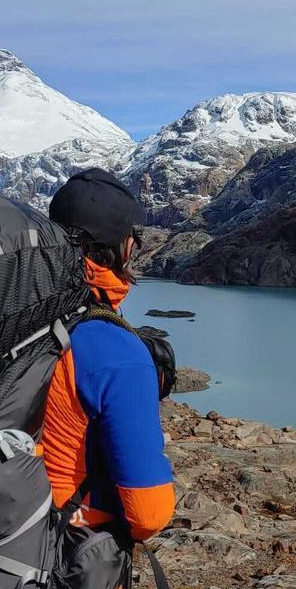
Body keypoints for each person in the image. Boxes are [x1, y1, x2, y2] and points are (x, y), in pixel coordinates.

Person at [40, 168, 176, 544]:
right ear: (125, 245)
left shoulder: (6, 312)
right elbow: (148, 514)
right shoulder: (116, 350)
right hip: (56, 553)